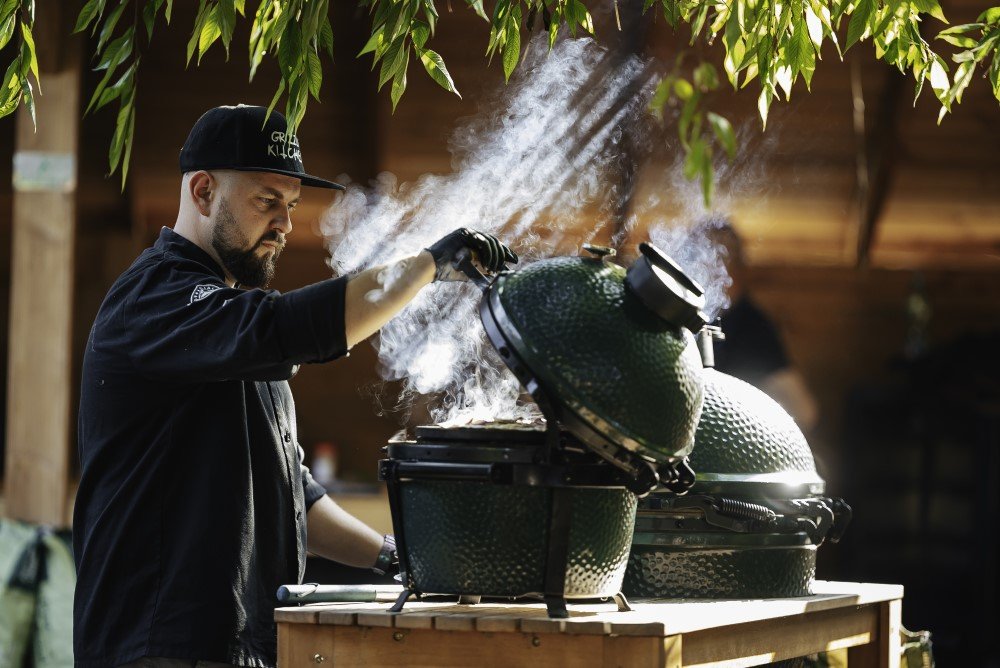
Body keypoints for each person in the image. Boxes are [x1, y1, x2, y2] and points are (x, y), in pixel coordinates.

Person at [72, 104, 517, 668]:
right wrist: (427, 265)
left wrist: (395, 557)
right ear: (203, 191)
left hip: (238, 647)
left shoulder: (232, 327)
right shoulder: (154, 300)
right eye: (266, 201)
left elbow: (292, 497)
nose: (284, 224)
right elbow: (287, 326)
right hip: (153, 647)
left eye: (291, 205)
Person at [709, 220, 819, 432]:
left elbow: (804, 411)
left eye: (718, 259)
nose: (708, 267)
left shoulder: (752, 328)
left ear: (735, 268)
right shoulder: (711, 319)